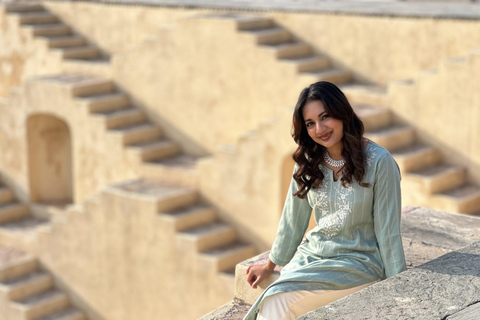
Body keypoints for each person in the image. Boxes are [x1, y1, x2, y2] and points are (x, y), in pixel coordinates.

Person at [243, 81, 407, 320]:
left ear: (342, 113)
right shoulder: (308, 162)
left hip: (358, 263)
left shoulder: (379, 162)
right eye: (310, 123)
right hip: (313, 256)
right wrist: (270, 266)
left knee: (279, 301)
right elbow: (292, 220)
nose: (319, 129)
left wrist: (400, 286)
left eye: (325, 117)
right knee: (274, 296)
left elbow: (388, 231)